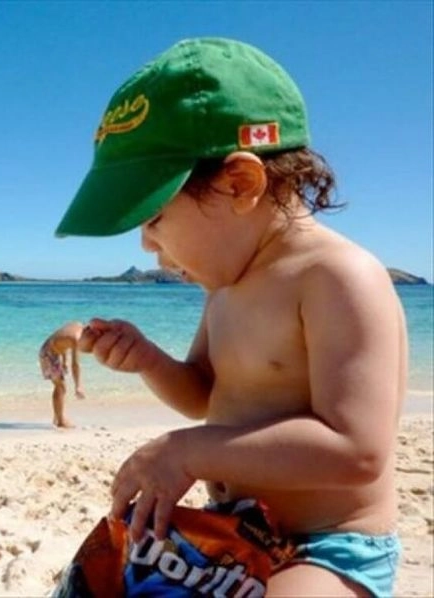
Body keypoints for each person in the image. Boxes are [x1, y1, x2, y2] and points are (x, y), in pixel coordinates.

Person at [56, 37, 406, 596]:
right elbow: (203, 395)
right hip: (233, 534)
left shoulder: (337, 277)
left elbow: (356, 451)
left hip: (326, 548)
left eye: (154, 218)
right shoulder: (223, 288)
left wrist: (186, 452)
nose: (146, 245)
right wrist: (148, 360)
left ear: (239, 183)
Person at [39, 321, 86, 428]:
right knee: (60, 386)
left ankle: (57, 418)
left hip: (49, 350)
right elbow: (75, 364)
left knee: (59, 386)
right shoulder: (77, 338)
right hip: (48, 354)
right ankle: (60, 421)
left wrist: (64, 360)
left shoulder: (77, 325)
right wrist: (78, 386)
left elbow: (61, 338)